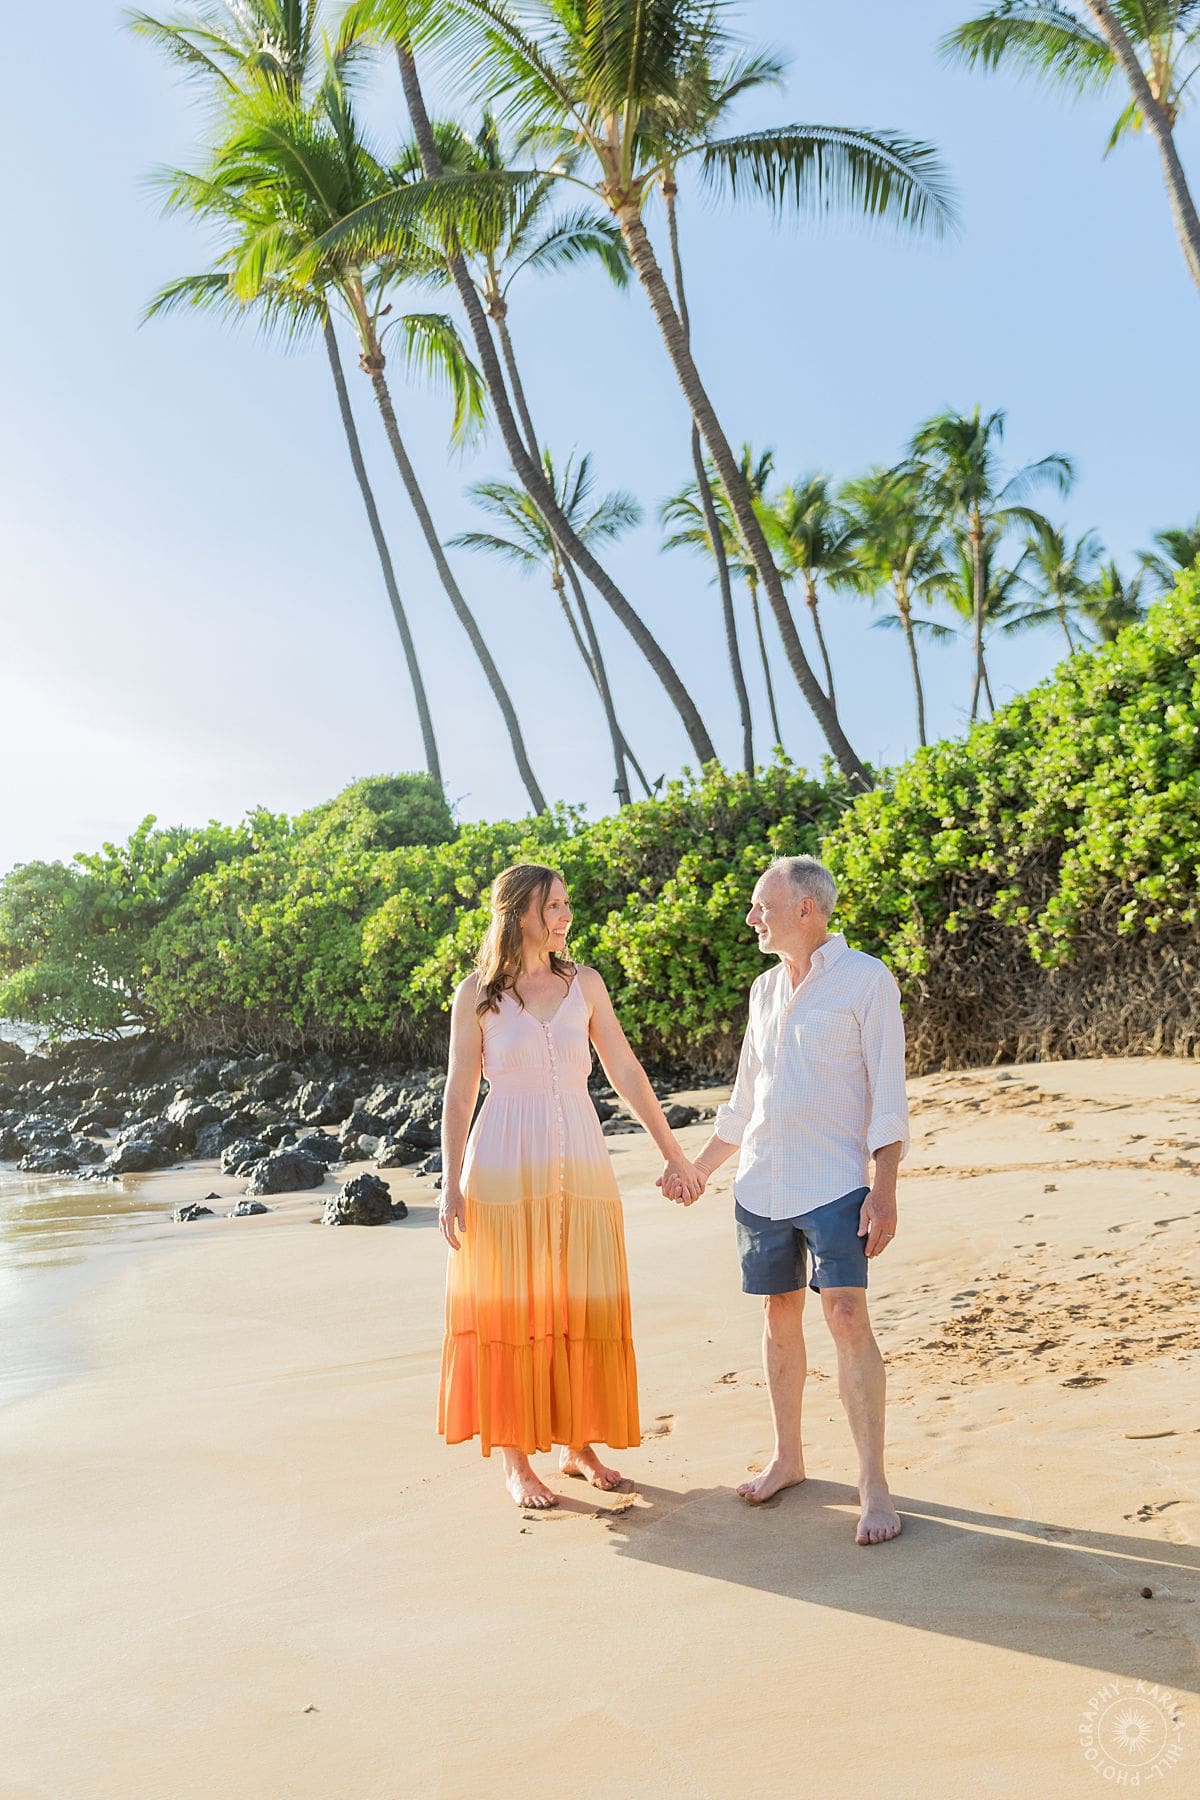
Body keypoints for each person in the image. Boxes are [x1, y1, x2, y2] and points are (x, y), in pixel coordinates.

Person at [437, 862, 705, 1510]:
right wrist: (450, 1184)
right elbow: (459, 1091)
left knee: (579, 1302)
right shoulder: (479, 993)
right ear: (519, 912)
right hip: (502, 1164)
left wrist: (676, 1155)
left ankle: (578, 1444)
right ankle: (515, 1459)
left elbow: (626, 1069)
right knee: (514, 1309)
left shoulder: (584, 983)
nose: (565, 916)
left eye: (564, 905)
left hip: (581, 1160)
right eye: (553, 906)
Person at [662, 855, 909, 1546]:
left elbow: (888, 1099)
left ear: (807, 909)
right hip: (763, 1183)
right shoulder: (765, 990)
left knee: (848, 1314)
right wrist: (700, 1168)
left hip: (836, 1182)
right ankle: (789, 1457)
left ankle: (873, 1484)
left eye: (761, 906)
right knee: (778, 1316)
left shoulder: (866, 981)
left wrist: (885, 1190)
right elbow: (746, 1101)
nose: (751, 918)